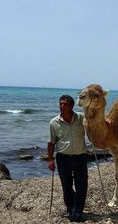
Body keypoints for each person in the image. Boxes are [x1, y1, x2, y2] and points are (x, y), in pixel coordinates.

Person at [47, 94, 88, 222]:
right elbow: (51, 142)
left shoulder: (82, 118)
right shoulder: (54, 122)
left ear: (71, 106)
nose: (62, 106)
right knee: (67, 186)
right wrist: (50, 160)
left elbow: (92, 129)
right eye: (61, 104)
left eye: (65, 104)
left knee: (82, 186)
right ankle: (71, 210)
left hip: (80, 157)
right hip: (63, 158)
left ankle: (77, 212)